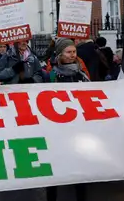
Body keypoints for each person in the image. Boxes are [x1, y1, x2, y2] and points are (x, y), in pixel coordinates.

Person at [45, 38, 89, 201]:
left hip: (77, 130)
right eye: (68, 52)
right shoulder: (51, 76)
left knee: (80, 171)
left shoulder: (82, 75)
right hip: (56, 131)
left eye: (74, 52)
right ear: (59, 55)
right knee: (54, 171)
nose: (72, 55)